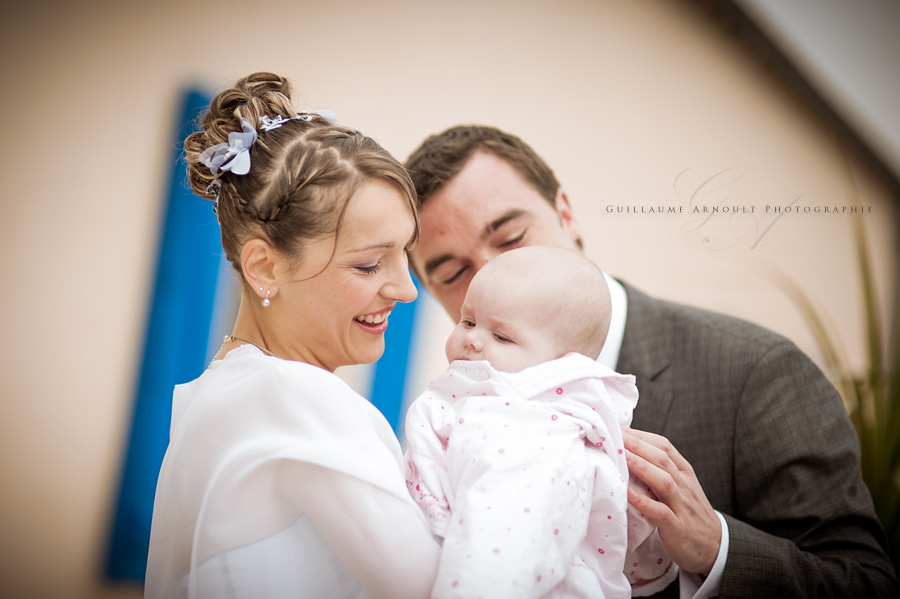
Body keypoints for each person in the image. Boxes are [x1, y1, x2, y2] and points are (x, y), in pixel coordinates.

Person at [403, 124, 899, 598]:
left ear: (567, 212)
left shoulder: (757, 371)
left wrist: (715, 549)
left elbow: (865, 583)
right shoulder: (451, 413)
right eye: (452, 271)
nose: (496, 273)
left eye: (510, 238)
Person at [144, 72, 441, 599]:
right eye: (370, 265)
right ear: (264, 266)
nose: (406, 290)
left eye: (406, 256)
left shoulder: (212, 402)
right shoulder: (298, 399)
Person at [404, 246, 676, 598]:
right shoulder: (496, 409)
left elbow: (497, 553)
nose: (471, 338)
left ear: (561, 367)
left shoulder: (527, 435)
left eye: (502, 336)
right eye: (468, 321)